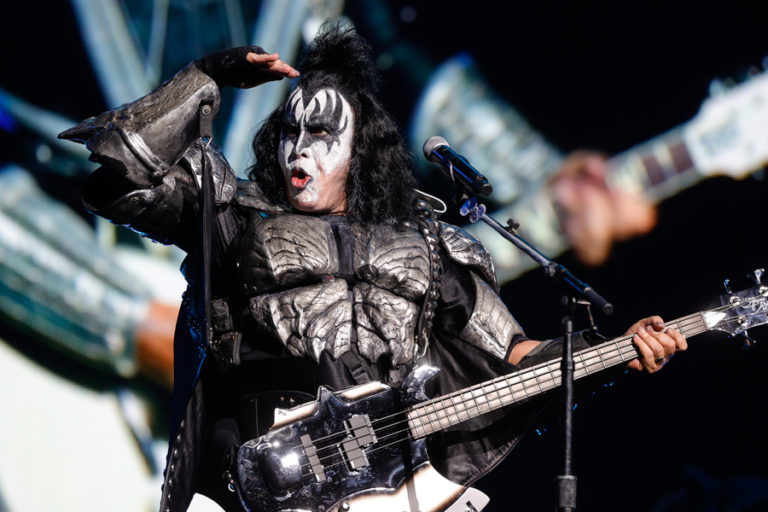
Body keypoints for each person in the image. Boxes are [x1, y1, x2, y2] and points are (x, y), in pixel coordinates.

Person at [60, 25, 686, 512]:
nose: (299, 147)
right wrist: (206, 75)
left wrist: (615, 353)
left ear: (360, 149)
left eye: (321, 132)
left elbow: (514, 356)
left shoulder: (427, 245)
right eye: (290, 129)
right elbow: (124, 172)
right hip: (260, 483)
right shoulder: (232, 216)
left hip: (397, 490)